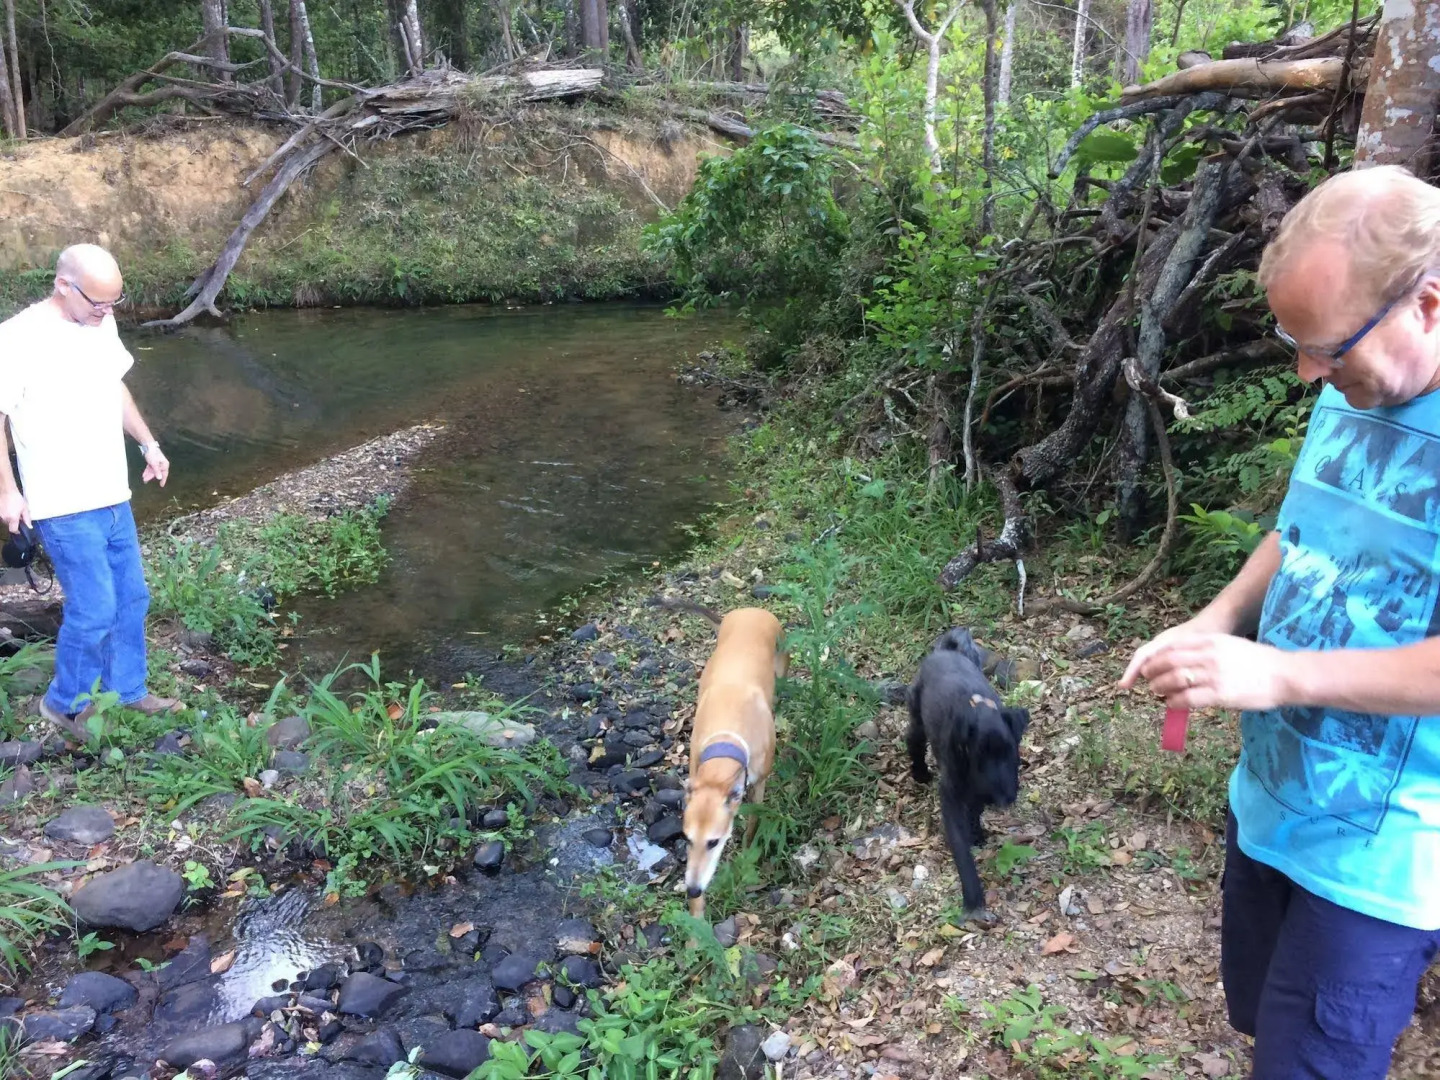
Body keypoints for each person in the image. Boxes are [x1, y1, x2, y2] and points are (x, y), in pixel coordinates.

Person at [1120, 164, 1440, 1079]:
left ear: (1427, 302)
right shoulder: (1355, 388)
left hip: (1383, 863)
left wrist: (1281, 675)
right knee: (1264, 1020)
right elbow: (1298, 532)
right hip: (1269, 805)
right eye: (1293, 345)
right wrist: (1215, 620)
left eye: (1328, 348)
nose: (1308, 375)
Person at [0, 244, 181, 738]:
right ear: (63, 285)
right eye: (98, 303)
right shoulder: (18, 338)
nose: (106, 313)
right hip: (62, 504)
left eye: (114, 303)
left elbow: (114, 387)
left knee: (131, 598)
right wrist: (7, 492)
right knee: (94, 606)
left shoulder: (102, 325)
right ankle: (66, 704)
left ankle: (129, 689)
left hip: (113, 494)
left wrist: (149, 444)